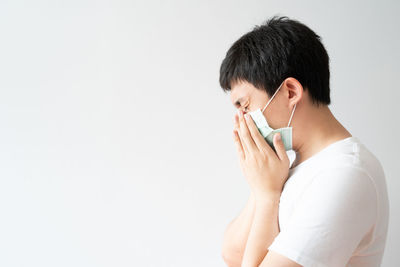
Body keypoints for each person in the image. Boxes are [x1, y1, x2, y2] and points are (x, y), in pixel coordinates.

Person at [219, 15, 389, 267]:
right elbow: (233, 255)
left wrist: (267, 195)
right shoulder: (286, 167)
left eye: (245, 105)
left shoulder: (346, 172)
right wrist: (262, 189)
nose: (242, 121)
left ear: (290, 92)